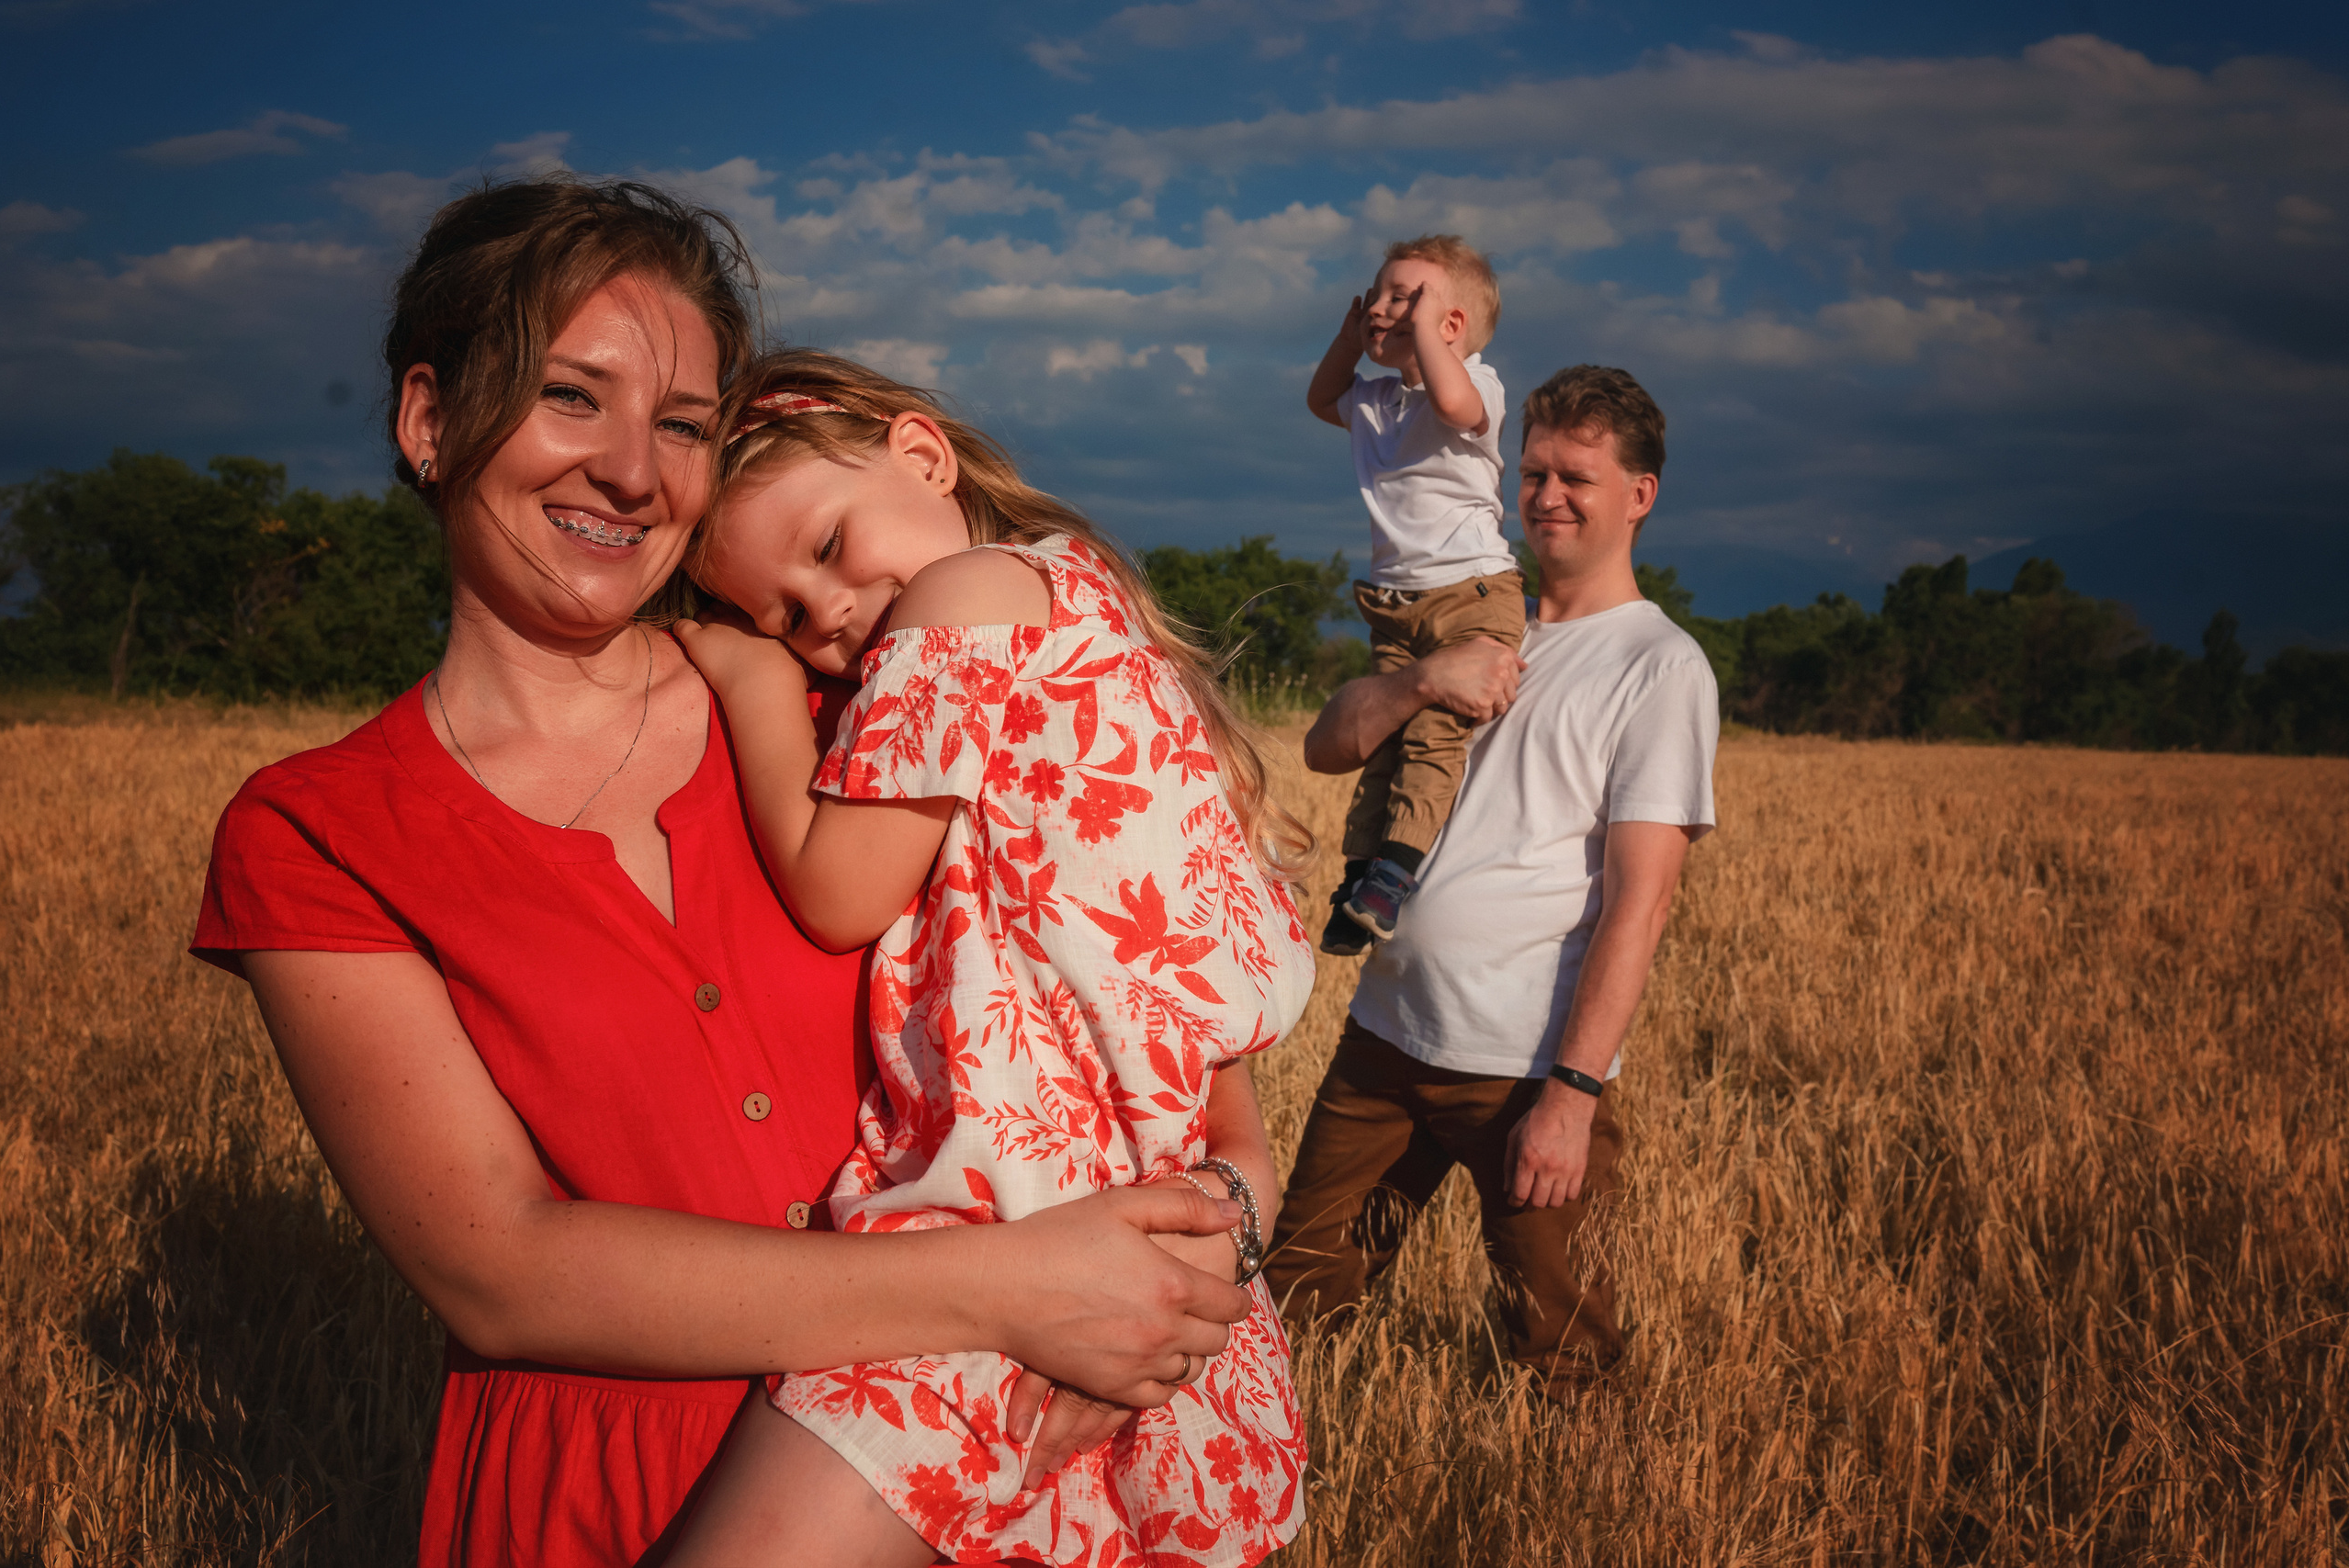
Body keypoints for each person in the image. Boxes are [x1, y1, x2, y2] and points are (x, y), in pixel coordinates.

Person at [188, 177, 1259, 1565]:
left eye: (683, 424)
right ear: (429, 419)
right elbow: (499, 1268)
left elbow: (1187, 1062)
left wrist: (1198, 1255)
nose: (634, 472)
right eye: (572, 396)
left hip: (997, 1468)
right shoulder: (320, 830)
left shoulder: (864, 711)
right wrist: (1019, 1285)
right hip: (608, 1500)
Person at [663, 349, 1316, 1567]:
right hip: (1145, 1211)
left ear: (923, 454)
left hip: (1008, 1213)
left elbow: (839, 889)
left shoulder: (963, 597)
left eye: (827, 545)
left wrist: (750, 680)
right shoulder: (1088, 605)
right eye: (780, 619)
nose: (825, 616)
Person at [1266, 365, 1718, 1401]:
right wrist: (1423, 677)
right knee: (1294, 1304)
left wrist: (1573, 1093)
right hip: (1385, 1037)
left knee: (1564, 1353)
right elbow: (1327, 746)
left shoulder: (1658, 666)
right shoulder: (1468, 617)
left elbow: (1640, 901)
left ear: (1640, 495)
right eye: (1533, 472)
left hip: (1520, 1068)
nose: (1547, 496)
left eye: (1577, 478)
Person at [1304, 232, 1526, 953]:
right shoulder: (1375, 400)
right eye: (1376, 293)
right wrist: (1349, 339)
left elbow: (1456, 406)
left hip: (1472, 595)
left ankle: (1395, 873)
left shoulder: (1478, 385)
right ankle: (1360, 873)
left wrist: (1425, 332)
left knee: (1434, 735)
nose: (1379, 306)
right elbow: (1320, 398)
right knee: (1385, 740)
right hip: (1395, 604)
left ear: (1450, 324)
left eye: (1405, 297)